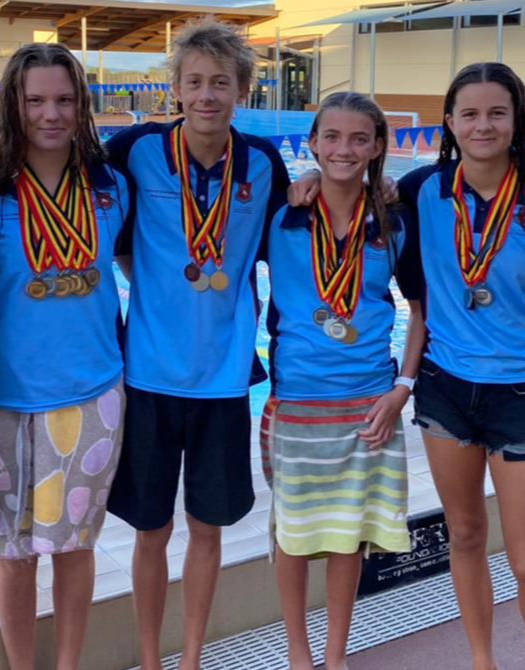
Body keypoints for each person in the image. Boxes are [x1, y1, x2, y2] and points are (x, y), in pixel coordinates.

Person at [289, 63, 525, 670]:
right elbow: (366, 204)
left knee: (524, 558)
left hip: (519, 392)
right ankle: (481, 661)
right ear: (448, 122)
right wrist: (314, 176)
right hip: (446, 389)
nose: (482, 125)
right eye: (469, 114)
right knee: (466, 535)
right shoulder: (421, 191)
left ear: (516, 119)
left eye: (496, 112)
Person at [104, 17, 290, 670]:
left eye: (221, 82)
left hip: (223, 379)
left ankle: (190, 659)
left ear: (242, 89)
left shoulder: (262, 165)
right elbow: (89, 212)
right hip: (148, 375)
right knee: (151, 531)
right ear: (176, 89)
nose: (207, 95)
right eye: (194, 82)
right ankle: (151, 659)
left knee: (206, 529)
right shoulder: (134, 150)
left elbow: (297, 240)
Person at [0, 43, 129, 670]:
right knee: (12, 550)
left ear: (81, 104)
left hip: (93, 395)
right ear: (14, 105)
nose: (51, 113)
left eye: (64, 99)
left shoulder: (112, 186)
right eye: (35, 100)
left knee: (74, 545)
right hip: (2, 399)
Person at [263, 91, 424, 670]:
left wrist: (401, 387)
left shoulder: (394, 221)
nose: (344, 149)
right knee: (294, 535)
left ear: (379, 146)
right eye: (331, 137)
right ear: (312, 142)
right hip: (298, 398)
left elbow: (420, 310)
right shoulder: (279, 215)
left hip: (368, 403)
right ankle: (298, 654)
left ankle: (335, 656)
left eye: (359, 138)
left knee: (347, 537)